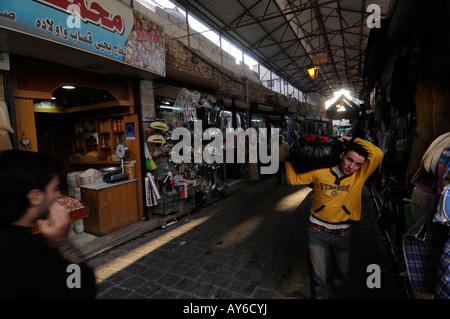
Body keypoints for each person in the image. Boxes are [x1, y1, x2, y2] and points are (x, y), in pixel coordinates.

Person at [285, 136, 383, 298]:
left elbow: (378, 153)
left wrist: (354, 140)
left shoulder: (359, 177)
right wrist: (288, 160)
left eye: (357, 164)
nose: (351, 167)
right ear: (341, 156)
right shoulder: (320, 173)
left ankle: (336, 281)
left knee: (343, 269)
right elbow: (293, 179)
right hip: (316, 232)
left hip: (342, 234)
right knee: (318, 276)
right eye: (349, 160)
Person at [0, 150, 96, 299]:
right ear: (35, 197)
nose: (57, 195)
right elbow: (81, 288)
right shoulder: (34, 256)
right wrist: (63, 243)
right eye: (53, 189)